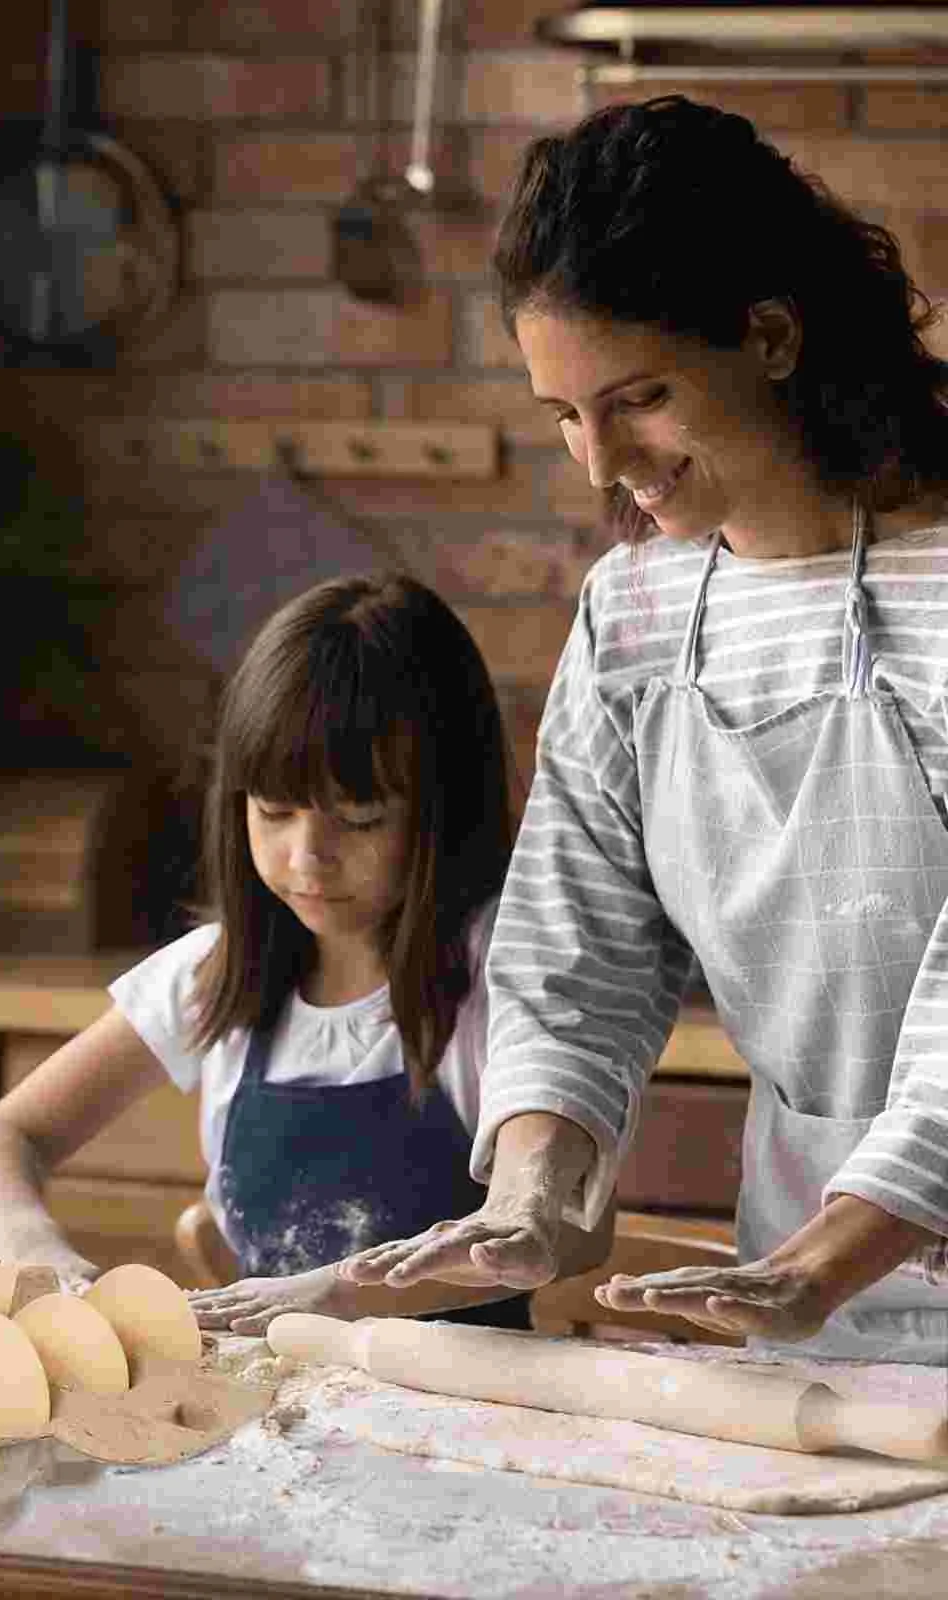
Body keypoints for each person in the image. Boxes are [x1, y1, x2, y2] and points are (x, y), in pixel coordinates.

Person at [341, 95, 948, 1364]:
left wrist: (840, 1250)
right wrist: (530, 1198)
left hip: (834, 1262)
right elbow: (582, 941)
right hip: (802, 1301)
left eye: (637, 398)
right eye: (562, 412)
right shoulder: (635, 609)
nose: (595, 457)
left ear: (771, 335)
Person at [0, 571, 612, 1334]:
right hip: (285, 1406)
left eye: (359, 821)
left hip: (467, 1409)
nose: (307, 859)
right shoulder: (214, 973)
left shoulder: (504, 971)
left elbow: (575, 1228)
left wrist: (340, 1292)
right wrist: (40, 1255)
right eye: (274, 812)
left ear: (444, 811)